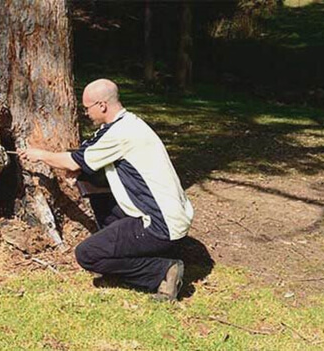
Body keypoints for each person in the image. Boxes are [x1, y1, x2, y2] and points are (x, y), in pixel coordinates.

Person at [17, 78, 194, 301]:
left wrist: (39, 155)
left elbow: (73, 161)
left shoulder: (120, 133)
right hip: (171, 218)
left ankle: (162, 270)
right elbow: (86, 153)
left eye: (87, 108)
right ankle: (151, 253)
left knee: (87, 255)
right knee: (96, 192)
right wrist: (81, 169)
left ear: (102, 105)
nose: (85, 113)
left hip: (160, 225)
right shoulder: (127, 123)